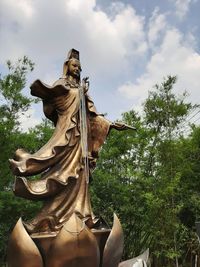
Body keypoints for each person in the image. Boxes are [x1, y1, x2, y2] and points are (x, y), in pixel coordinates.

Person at [9, 49, 134, 235]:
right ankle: (51, 220)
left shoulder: (82, 90)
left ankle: (82, 215)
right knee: (62, 176)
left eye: (79, 67)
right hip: (67, 138)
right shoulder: (64, 85)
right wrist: (77, 93)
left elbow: (93, 116)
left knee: (80, 177)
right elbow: (57, 106)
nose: (77, 69)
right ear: (67, 67)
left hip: (81, 143)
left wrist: (113, 125)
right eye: (74, 66)